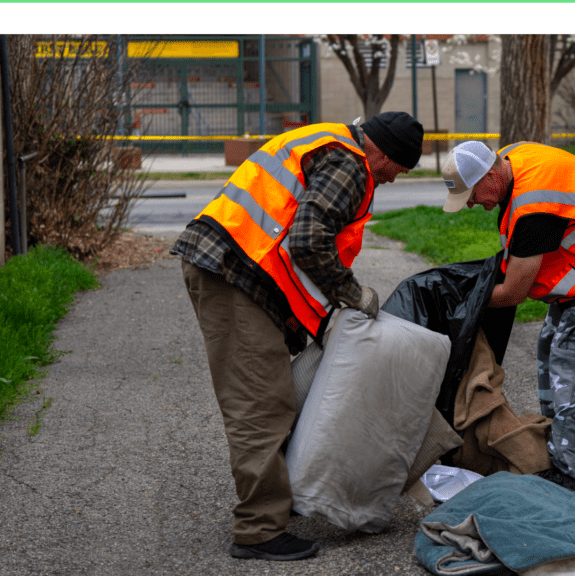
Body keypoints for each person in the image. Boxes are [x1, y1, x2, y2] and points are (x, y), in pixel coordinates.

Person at [171, 112, 424, 561]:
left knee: (275, 395)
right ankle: (259, 530)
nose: (390, 180)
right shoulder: (351, 163)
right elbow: (307, 240)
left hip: (236, 267)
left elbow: (292, 233)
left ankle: (275, 504)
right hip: (236, 274)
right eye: (395, 171)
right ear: (381, 153)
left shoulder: (329, 142)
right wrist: (351, 292)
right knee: (261, 404)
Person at [440, 140, 575, 492]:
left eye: (473, 195)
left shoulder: (533, 210)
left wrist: (462, 303)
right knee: (548, 347)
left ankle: (572, 475)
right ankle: (551, 447)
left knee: (570, 360)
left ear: (491, 175)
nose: (474, 204)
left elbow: (512, 293)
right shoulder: (512, 157)